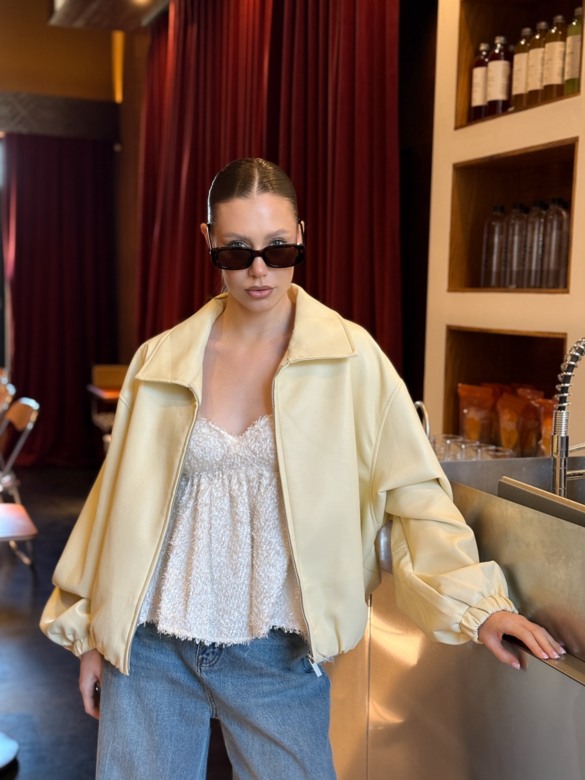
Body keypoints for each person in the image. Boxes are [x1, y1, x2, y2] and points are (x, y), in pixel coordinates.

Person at [40, 158, 564, 779]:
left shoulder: (351, 360)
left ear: (301, 236)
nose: (259, 270)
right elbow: (115, 508)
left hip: (277, 651)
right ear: (207, 240)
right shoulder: (160, 361)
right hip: (151, 646)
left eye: (279, 249)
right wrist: (93, 634)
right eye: (236, 252)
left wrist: (479, 606)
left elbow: (415, 494)